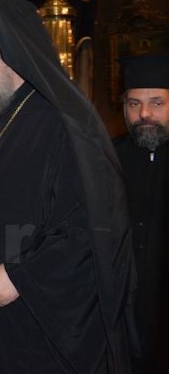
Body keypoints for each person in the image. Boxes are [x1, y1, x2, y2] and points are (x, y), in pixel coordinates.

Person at [0, 0, 133, 373]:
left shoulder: (66, 126)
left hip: (36, 331)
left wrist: (20, 275)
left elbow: (92, 227)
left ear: (10, 56)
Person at [113, 55, 169, 373]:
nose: (144, 114)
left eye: (156, 103)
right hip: (124, 316)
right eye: (134, 104)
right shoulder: (107, 159)